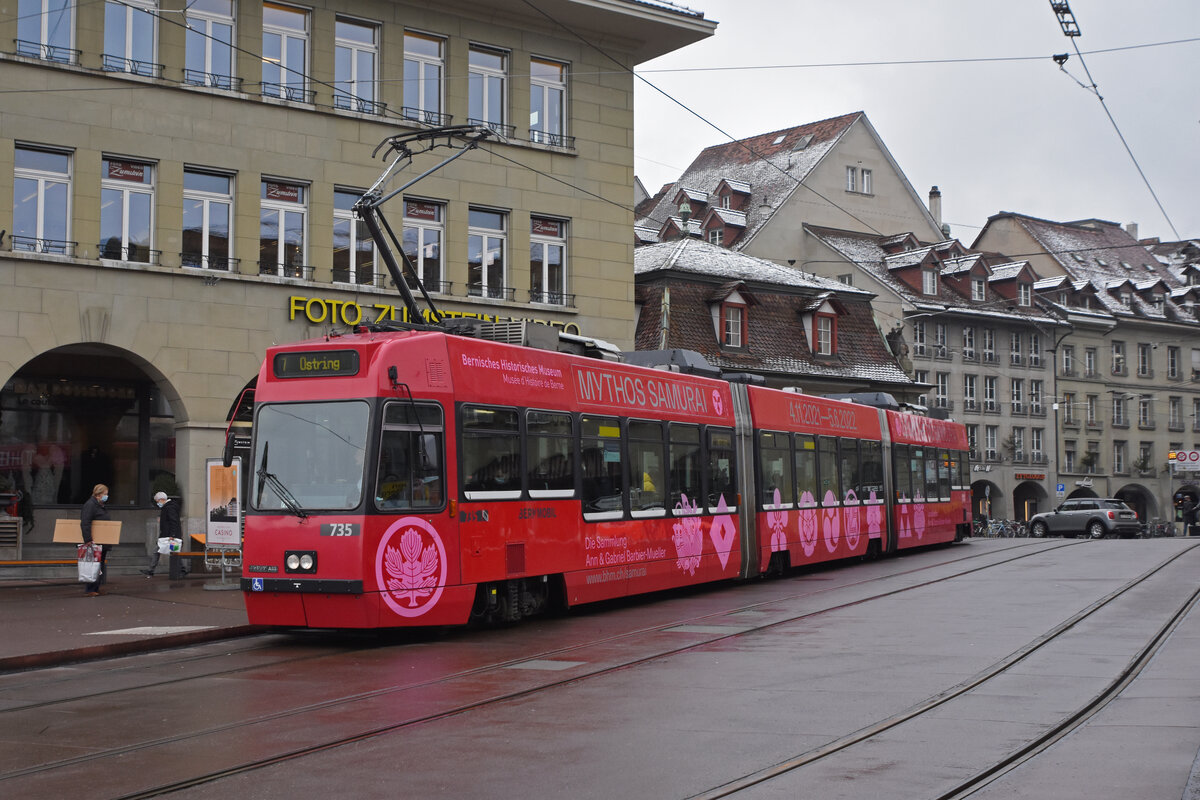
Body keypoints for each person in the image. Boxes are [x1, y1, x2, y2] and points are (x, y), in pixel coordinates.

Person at [142, 491, 181, 577]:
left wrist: (173, 535)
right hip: (167, 536)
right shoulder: (169, 507)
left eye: (157, 501)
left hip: (169, 536)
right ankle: (151, 570)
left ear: (161, 500)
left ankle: (151, 570)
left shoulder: (169, 507)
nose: (157, 504)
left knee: (172, 552)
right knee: (171, 552)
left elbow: (173, 521)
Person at [80, 483, 109, 596]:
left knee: (99, 565)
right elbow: (85, 522)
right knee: (93, 565)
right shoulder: (90, 505)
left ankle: (96, 587)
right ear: (98, 495)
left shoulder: (99, 505)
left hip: (101, 541)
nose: (107, 496)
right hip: (94, 541)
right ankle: (90, 589)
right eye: (105, 494)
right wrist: (88, 539)